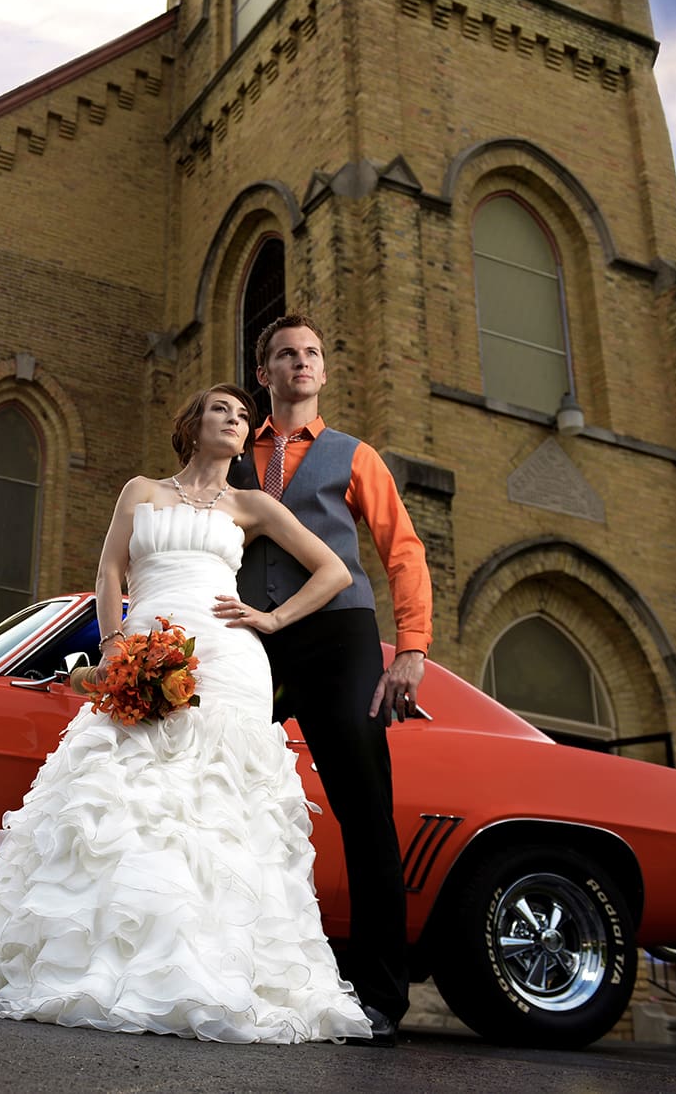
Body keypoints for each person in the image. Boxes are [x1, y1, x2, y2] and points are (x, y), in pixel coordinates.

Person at [0, 384, 372, 1044]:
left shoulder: (254, 505)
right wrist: (116, 644)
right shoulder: (141, 492)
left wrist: (270, 618)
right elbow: (109, 573)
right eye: (222, 410)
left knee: (213, 813)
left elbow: (333, 571)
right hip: (144, 642)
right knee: (116, 801)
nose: (235, 420)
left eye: (244, 416)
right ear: (193, 423)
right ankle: (102, 958)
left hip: (226, 664)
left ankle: (209, 966)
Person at [225, 313, 433, 1047]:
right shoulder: (233, 454)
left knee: (365, 810)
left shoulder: (356, 456)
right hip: (249, 636)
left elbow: (402, 550)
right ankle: (224, 969)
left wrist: (410, 645)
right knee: (217, 789)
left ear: (322, 370)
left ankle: (381, 996)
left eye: (312, 352)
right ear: (265, 374)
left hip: (339, 635)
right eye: (286, 354)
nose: (301, 362)